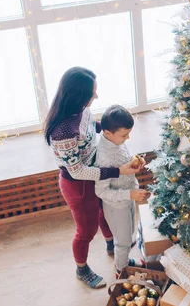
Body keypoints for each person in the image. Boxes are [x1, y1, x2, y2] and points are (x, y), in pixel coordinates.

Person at [44, 67, 141, 289]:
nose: (96, 96)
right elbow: (77, 171)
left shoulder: (81, 110)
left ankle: (113, 247)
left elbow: (91, 128)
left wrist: (110, 129)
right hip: (77, 184)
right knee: (86, 230)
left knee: (105, 212)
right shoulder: (62, 132)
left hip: (96, 171)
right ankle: (82, 268)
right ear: (78, 95)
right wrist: (117, 171)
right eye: (92, 93)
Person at [93, 105, 151, 278]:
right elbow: (101, 191)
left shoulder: (117, 142)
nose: (127, 138)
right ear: (108, 133)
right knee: (123, 242)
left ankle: (124, 262)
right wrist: (130, 194)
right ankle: (121, 269)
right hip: (116, 205)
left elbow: (124, 158)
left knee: (130, 231)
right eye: (124, 135)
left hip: (128, 198)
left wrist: (135, 163)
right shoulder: (103, 157)